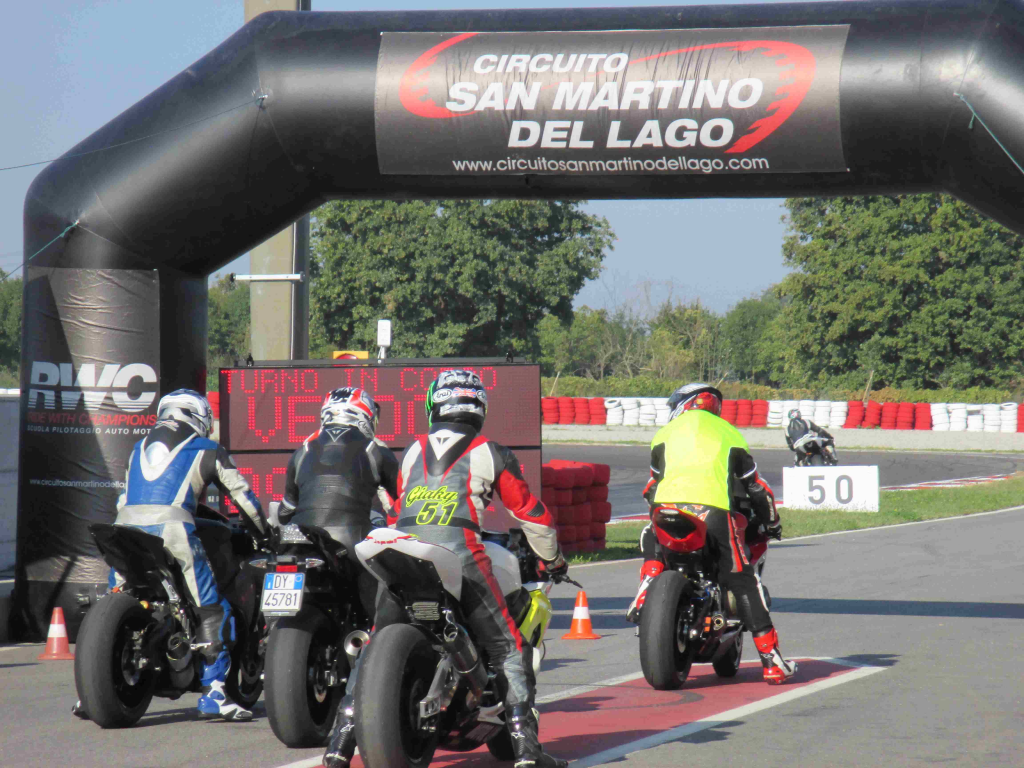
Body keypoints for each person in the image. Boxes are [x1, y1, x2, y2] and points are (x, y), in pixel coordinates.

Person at [324, 369, 569, 768]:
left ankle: (338, 746)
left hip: (399, 549)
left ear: (433, 405)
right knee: (508, 647)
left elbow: (399, 508)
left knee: (374, 644)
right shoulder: (491, 451)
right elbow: (531, 513)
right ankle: (527, 751)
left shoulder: (413, 450)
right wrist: (554, 558)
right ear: (479, 408)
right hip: (461, 551)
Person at [112, 389, 270, 720]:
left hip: (123, 530)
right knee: (212, 609)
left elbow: (125, 499)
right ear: (199, 417)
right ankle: (215, 692)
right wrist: (265, 534)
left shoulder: (138, 448)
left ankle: (96, 689)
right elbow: (242, 497)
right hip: (173, 530)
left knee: (114, 598)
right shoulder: (206, 448)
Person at [625, 383, 796, 686]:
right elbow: (757, 487)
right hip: (713, 512)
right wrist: (772, 524)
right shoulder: (729, 433)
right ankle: (772, 662)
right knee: (741, 579)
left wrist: (661, 504)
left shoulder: (664, 434)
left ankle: (646, 587)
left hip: (666, 509)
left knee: (650, 533)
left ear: (686, 404)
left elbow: (652, 485)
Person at [280, 387, 399, 616]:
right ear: (365, 415)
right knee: (380, 613)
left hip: (299, 540)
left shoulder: (302, 451)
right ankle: (374, 631)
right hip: (352, 541)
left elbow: (285, 511)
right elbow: (406, 501)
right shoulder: (375, 450)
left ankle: (270, 628)